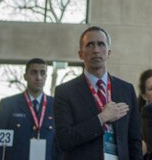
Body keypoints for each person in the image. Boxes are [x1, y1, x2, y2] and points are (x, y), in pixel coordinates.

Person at [53, 26, 141, 160]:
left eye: (101, 44)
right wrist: (101, 118)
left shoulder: (126, 90)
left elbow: (134, 140)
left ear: (109, 52)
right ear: (80, 54)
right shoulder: (65, 92)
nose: (96, 50)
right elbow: (64, 140)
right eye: (89, 45)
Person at [0, 58, 57, 160]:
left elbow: (60, 145)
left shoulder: (56, 105)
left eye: (42, 73)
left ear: (46, 77)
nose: (38, 77)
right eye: (34, 72)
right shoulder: (8, 105)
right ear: (25, 76)